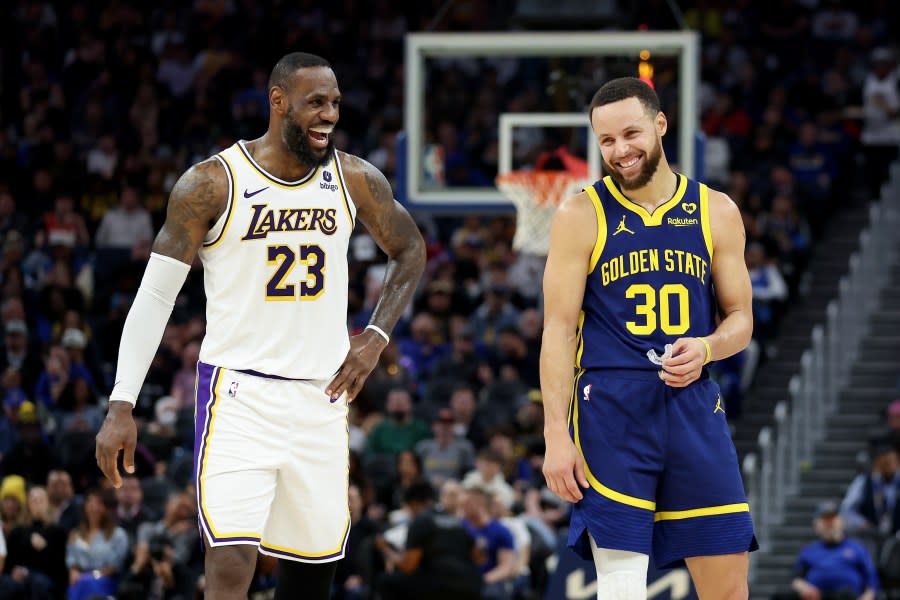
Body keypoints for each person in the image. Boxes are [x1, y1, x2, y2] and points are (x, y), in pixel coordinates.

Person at [94, 51, 426, 600]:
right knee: (229, 566)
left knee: (312, 572)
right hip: (238, 395)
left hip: (321, 397)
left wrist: (376, 337)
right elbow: (154, 296)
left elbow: (410, 248)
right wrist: (121, 403)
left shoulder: (354, 178)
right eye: (315, 102)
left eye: (335, 104)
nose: (328, 114)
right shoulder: (211, 182)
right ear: (278, 101)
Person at [540, 77, 756, 599]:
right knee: (621, 587)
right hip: (610, 407)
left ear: (660, 125)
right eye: (607, 141)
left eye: (631, 134)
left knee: (728, 589)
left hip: (692, 403)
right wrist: (554, 434)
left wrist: (706, 347)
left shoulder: (716, 210)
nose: (620, 151)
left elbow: (741, 320)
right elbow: (558, 329)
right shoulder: (580, 213)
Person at [376, 480, 481, 600]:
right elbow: (478, 557)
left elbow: (409, 566)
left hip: (442, 585)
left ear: (414, 504)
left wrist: (385, 550)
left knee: (385, 581)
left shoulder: (422, 520)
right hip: (471, 585)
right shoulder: (459, 521)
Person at [773, 501, 877, 600]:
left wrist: (867, 597)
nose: (829, 524)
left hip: (846, 596)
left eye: (832, 519)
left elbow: (871, 580)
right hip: (815, 596)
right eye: (825, 520)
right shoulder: (809, 551)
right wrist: (804, 588)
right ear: (816, 526)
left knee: (845, 595)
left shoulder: (857, 548)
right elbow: (796, 578)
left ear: (841, 521)